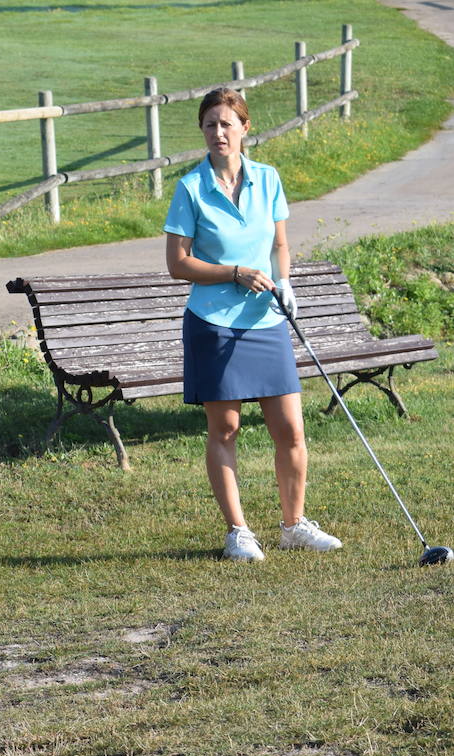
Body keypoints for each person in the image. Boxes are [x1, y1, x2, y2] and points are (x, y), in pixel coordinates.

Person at [164, 87, 342, 562]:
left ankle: (293, 524)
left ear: (245, 127)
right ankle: (238, 533)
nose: (218, 132)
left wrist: (286, 282)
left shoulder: (268, 178)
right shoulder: (191, 188)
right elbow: (178, 264)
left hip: (266, 322)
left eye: (226, 123)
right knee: (225, 429)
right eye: (209, 125)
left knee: (291, 431)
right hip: (213, 323)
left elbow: (279, 242)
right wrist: (235, 273)